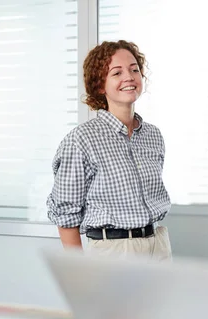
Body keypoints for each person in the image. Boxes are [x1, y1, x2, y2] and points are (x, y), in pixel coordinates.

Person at [46, 40, 172, 260]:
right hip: (113, 251)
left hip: (158, 244)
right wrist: (81, 271)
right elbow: (66, 214)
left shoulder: (153, 136)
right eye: (117, 72)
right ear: (100, 85)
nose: (129, 77)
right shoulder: (82, 139)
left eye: (134, 69)